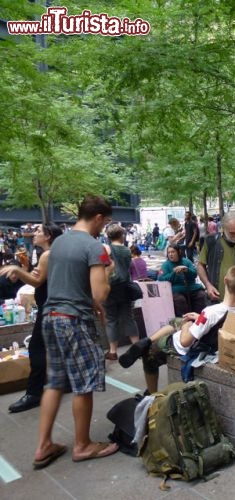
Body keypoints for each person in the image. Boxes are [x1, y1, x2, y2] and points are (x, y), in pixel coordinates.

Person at [34, 195, 118, 469]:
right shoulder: (94, 247)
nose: (104, 227)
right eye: (105, 222)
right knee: (84, 382)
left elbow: (67, 283)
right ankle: (82, 445)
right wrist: (109, 270)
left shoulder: (60, 242)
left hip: (50, 317)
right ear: (97, 218)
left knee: (55, 382)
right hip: (73, 321)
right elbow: (100, 292)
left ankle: (43, 444)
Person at [119, 265, 235, 394]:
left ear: (225, 280)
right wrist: (199, 318)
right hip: (213, 337)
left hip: (189, 345)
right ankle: (147, 340)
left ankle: (152, 394)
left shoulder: (210, 312)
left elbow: (185, 342)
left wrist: (187, 325)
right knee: (176, 320)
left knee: (150, 353)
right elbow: (222, 320)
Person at [1, 223, 63, 413]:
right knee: (57, 348)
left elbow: (37, 282)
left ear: (49, 236)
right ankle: (64, 382)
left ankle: (34, 394)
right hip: (54, 307)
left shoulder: (48, 254)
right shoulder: (52, 254)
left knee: (36, 349)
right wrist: (24, 269)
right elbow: (38, 278)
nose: (34, 234)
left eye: (38, 231)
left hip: (49, 308)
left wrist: (17, 270)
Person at [103, 224, 140, 361]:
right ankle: (137, 347)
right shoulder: (126, 250)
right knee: (128, 318)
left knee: (111, 319)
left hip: (111, 288)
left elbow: (103, 265)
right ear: (121, 235)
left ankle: (112, 351)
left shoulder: (106, 249)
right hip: (125, 288)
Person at [158, 244, 207, 317]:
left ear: (179, 252)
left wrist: (186, 270)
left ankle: (198, 318)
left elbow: (194, 274)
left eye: (173, 252)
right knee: (179, 299)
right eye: (169, 253)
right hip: (177, 290)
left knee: (201, 295)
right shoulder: (165, 265)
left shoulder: (186, 262)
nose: (170, 254)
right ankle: (184, 320)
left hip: (191, 287)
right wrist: (173, 273)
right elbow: (161, 279)